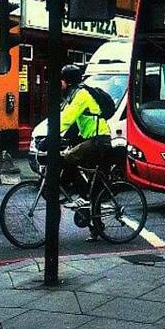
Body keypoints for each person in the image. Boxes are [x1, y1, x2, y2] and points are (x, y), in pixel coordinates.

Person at [59, 64, 113, 241]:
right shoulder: (74, 94)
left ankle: (79, 194)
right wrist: (62, 138)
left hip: (99, 140)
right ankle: (96, 225)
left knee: (68, 157)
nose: (60, 83)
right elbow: (71, 122)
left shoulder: (81, 94)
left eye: (62, 79)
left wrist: (51, 135)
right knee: (95, 187)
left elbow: (67, 118)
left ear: (68, 80)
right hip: (91, 139)